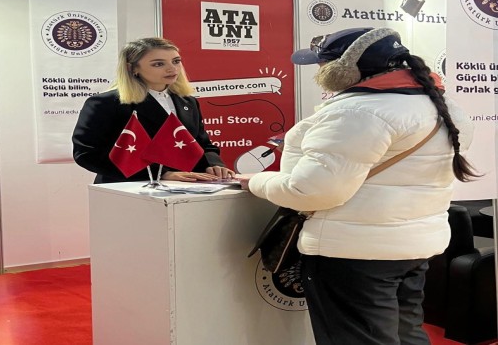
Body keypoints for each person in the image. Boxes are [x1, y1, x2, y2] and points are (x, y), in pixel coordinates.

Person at [238, 27, 479, 345]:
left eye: (321, 64)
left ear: (342, 69)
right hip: (413, 246)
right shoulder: (439, 105)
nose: (318, 72)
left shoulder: (356, 112)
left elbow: (310, 191)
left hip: (354, 252)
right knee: (406, 333)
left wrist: (257, 181)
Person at [72, 37, 235, 184]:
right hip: (126, 189)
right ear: (132, 68)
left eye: (176, 61)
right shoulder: (106, 103)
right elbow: (87, 154)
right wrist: (160, 174)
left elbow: (202, 143)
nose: (172, 69)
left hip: (186, 188)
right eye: (158, 64)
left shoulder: (188, 101)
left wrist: (214, 165)